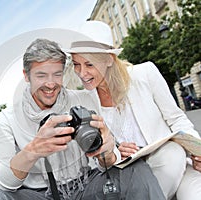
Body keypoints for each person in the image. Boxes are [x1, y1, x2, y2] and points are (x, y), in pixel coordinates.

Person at [0, 38, 165, 200]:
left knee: (136, 170)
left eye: (57, 74)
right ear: (26, 76)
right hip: (38, 193)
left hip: (86, 185)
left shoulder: (84, 99)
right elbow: (0, 185)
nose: (51, 84)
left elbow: (108, 161)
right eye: (41, 75)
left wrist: (109, 151)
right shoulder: (5, 119)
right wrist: (32, 151)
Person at [66, 20, 201, 200]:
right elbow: (94, 156)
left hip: (175, 167)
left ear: (109, 59)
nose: (82, 73)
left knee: (175, 157)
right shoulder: (85, 101)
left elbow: (177, 119)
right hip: (130, 176)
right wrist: (115, 152)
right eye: (76, 64)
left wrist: (198, 151)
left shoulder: (145, 73)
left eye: (89, 65)